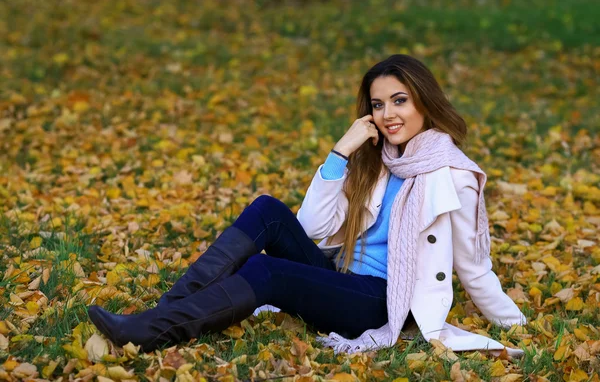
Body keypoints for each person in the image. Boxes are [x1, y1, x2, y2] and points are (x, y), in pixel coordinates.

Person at [88, 54, 527, 355]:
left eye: (400, 100)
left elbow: (474, 266)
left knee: (267, 271)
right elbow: (313, 227)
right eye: (378, 104)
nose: (388, 114)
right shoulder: (377, 160)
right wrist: (340, 155)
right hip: (339, 278)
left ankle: (153, 330)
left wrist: (515, 325)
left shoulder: (453, 176)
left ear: (425, 103)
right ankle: (164, 311)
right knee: (266, 210)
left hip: (378, 301)